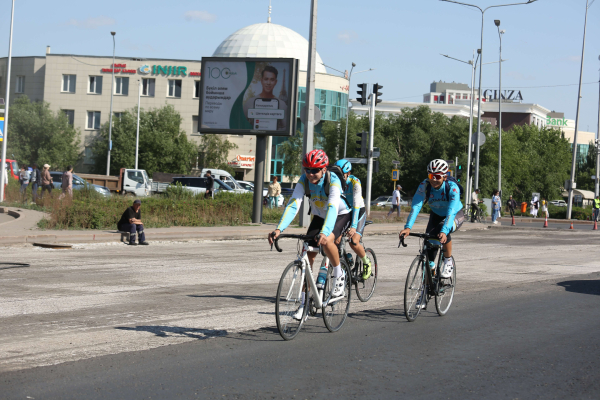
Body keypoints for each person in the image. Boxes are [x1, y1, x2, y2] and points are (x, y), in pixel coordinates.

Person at [268, 149, 352, 319]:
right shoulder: (304, 180)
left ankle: (339, 274)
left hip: (340, 215)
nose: (311, 174)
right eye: (307, 169)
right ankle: (304, 305)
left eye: (315, 170)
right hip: (320, 217)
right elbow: (293, 204)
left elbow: (332, 208)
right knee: (307, 258)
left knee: (327, 241)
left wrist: (325, 232)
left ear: (324, 169)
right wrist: (279, 229)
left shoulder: (333, 181)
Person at [399, 159, 464, 307]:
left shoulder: (452, 187)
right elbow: (416, 205)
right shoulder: (425, 185)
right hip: (436, 215)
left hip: (454, 214)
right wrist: (408, 227)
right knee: (428, 255)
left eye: (438, 176)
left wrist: (444, 230)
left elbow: (451, 211)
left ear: (445, 176)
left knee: (443, 233)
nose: (434, 180)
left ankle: (448, 260)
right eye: (431, 176)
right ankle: (426, 291)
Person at [335, 159, 372, 281]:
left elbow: (356, 205)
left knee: (354, 241)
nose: (339, 177)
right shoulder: (334, 182)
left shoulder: (355, 182)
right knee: (335, 239)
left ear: (348, 173)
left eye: (342, 175)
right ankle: (346, 259)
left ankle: (366, 262)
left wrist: (353, 226)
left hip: (358, 210)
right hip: (344, 211)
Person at [243, 66, 289, 131]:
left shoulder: (282, 105)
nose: (268, 83)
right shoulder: (250, 103)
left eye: (272, 80)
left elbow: (285, 127)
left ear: (275, 82)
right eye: (266, 79)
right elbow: (242, 124)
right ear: (261, 81)